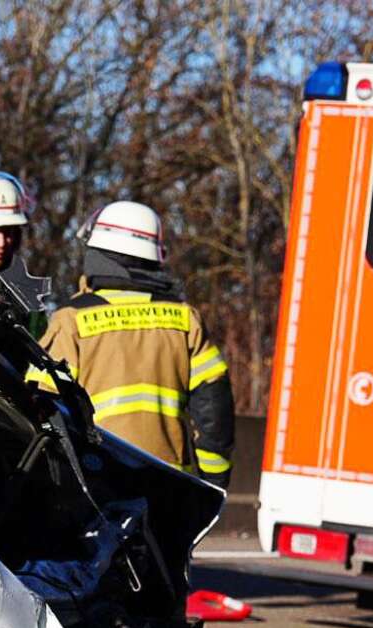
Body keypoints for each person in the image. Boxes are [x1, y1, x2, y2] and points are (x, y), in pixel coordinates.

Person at [36, 200, 234, 488]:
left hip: (95, 481)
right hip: (169, 484)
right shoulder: (184, 320)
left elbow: (41, 403)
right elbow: (215, 410)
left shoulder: (71, 321)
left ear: (100, 254)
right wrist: (213, 480)